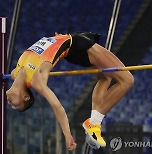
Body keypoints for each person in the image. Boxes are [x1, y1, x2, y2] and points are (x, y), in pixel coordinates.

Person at [6, 32, 134, 150]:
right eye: (15, 105)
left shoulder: (15, 73)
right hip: (78, 46)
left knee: (104, 78)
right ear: (26, 97)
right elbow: (58, 107)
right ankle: (94, 123)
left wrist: (57, 39)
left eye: (12, 105)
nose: (10, 103)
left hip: (71, 45)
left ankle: (94, 125)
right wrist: (67, 135)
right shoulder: (36, 81)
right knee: (127, 80)